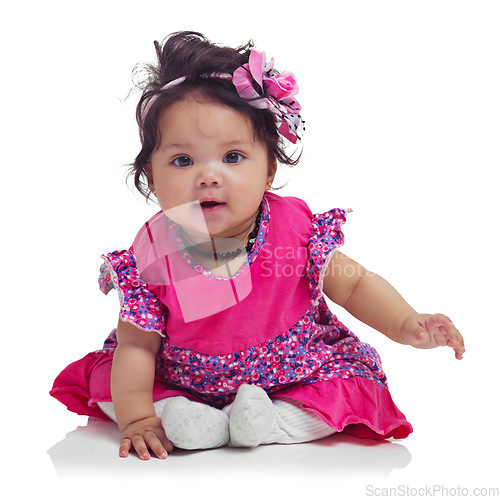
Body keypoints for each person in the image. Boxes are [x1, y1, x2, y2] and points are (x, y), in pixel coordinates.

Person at [50, 31, 465, 461]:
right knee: (115, 388)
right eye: (182, 161)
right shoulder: (154, 251)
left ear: (269, 170)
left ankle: (273, 422)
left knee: (342, 389)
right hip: (182, 376)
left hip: (292, 371)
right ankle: (182, 418)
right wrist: (137, 418)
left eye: (232, 157)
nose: (208, 176)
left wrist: (407, 323)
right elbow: (138, 345)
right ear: (152, 180)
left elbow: (354, 284)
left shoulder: (292, 230)